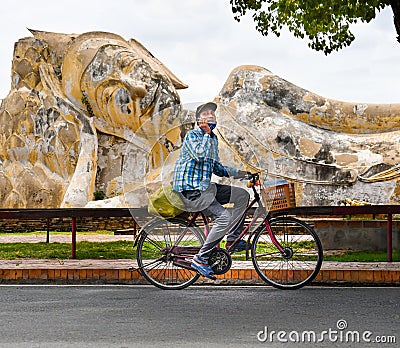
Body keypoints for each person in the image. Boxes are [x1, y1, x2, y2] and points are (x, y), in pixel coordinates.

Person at [172, 102, 250, 280]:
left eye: (212, 113)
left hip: (206, 189)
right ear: (199, 119)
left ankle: (233, 238)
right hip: (191, 190)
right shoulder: (192, 136)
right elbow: (199, 155)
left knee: (242, 195)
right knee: (223, 218)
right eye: (205, 113)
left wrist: (241, 174)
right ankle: (200, 259)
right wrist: (207, 133)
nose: (210, 115)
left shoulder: (213, 139)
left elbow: (216, 167)